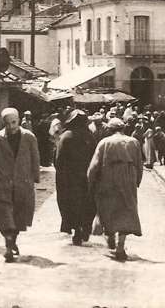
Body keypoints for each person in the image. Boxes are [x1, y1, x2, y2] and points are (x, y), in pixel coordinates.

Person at [0, 107, 41, 262]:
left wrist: (35, 178)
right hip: (3, 183)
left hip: (23, 183)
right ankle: (8, 246)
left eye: (14, 122)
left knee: (18, 216)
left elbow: (35, 158)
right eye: (8, 123)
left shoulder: (29, 137)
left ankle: (12, 242)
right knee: (4, 214)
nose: (11, 126)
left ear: (18, 120)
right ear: (3, 123)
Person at [87, 118, 143, 261]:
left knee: (108, 208)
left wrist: (91, 181)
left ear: (110, 130)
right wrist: (136, 181)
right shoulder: (134, 142)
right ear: (123, 129)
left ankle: (110, 234)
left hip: (108, 178)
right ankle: (120, 246)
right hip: (128, 178)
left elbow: (94, 165)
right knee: (126, 210)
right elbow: (139, 163)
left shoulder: (104, 143)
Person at [55, 109, 97, 245]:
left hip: (70, 178)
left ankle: (76, 230)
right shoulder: (90, 136)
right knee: (87, 203)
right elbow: (95, 157)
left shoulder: (65, 136)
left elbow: (58, 160)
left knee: (71, 203)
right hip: (87, 176)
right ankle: (85, 227)